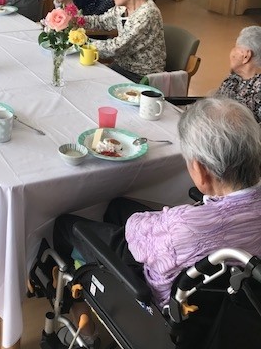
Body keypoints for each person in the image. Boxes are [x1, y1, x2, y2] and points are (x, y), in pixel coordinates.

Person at [54, 97, 261, 330]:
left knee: (65, 224)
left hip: (156, 301)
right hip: (227, 299)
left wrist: (168, 219)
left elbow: (136, 230)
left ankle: (74, 302)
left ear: (201, 172)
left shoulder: (184, 226)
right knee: (117, 206)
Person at [84, 0, 165, 81]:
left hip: (141, 76)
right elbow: (101, 21)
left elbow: (116, 47)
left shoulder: (147, 14)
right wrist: (75, 20)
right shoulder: (122, 8)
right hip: (121, 68)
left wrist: (82, 42)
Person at [216, 26, 261, 123]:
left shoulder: (258, 90)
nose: (231, 53)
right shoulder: (235, 76)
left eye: (235, 47)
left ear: (246, 56)